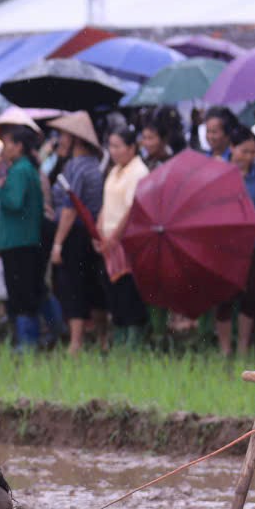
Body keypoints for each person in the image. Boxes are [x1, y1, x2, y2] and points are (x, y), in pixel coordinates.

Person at [213, 130, 255, 357]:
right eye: (244, 151)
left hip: (254, 243)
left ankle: (242, 348)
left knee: (250, 295)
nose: (249, 157)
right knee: (224, 295)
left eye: (253, 152)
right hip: (225, 244)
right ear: (232, 147)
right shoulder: (219, 170)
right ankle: (224, 349)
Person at [47, 113, 107, 354]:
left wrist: (58, 244)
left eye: (63, 136)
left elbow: (71, 210)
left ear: (75, 139)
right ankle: (103, 339)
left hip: (73, 235)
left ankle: (75, 344)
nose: (59, 140)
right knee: (93, 285)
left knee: (72, 286)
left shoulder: (75, 167)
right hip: (89, 235)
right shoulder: (94, 165)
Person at [97, 126, 151, 348]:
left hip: (127, 240)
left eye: (118, 146)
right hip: (109, 239)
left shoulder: (139, 171)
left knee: (129, 289)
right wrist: (99, 231)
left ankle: (133, 340)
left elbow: (132, 209)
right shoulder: (114, 170)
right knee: (114, 292)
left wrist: (115, 237)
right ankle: (119, 337)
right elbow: (106, 205)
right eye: (111, 146)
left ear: (131, 148)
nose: (114, 151)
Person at [0, 125, 46, 348]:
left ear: (19, 146)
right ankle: (40, 334)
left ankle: (27, 342)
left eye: (7, 144)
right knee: (28, 288)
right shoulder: (24, 168)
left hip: (19, 239)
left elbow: (14, 202)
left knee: (20, 292)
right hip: (23, 238)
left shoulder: (19, 170)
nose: (4, 149)